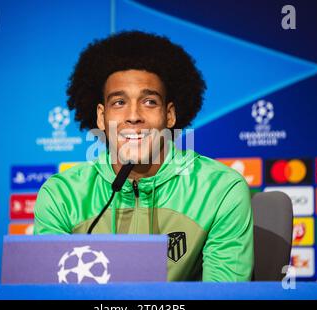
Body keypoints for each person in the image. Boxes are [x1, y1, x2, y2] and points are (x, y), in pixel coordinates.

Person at [34, 30, 253, 281]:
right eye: (119, 102)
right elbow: (49, 292)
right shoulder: (62, 196)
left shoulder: (220, 190)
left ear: (169, 115)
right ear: (100, 117)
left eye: (149, 102)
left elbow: (222, 298)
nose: (134, 115)